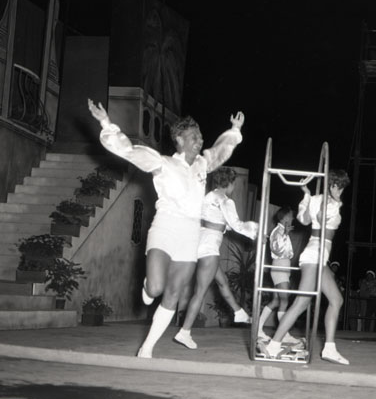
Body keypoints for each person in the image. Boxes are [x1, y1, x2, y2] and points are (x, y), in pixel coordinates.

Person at [88, 99, 244, 358]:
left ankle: (146, 348)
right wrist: (106, 122)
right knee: (156, 289)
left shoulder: (203, 164)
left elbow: (220, 151)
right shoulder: (162, 163)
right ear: (180, 140)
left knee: (173, 293)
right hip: (165, 227)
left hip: (190, 233)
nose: (199, 140)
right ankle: (148, 286)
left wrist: (234, 131)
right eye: (193, 137)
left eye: (200, 136)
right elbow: (128, 150)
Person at [259, 169, 351, 365]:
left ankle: (329, 348)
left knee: (336, 299)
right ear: (333, 185)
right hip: (314, 255)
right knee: (301, 302)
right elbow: (318, 218)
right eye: (339, 187)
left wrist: (307, 195)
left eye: (342, 188)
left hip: (319, 257)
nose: (340, 191)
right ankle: (274, 344)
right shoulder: (328, 203)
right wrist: (332, 201)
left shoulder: (316, 199)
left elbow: (304, 219)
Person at [174, 167, 258, 349]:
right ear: (229, 183)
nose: (234, 187)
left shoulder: (209, 196)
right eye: (234, 183)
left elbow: (212, 220)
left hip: (199, 242)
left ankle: (238, 312)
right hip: (209, 247)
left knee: (222, 281)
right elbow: (237, 225)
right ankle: (184, 332)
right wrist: (257, 231)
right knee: (200, 292)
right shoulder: (225, 201)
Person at [256, 206, 301, 344]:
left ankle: (258, 329)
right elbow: (278, 250)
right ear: (285, 217)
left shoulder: (281, 231)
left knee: (276, 301)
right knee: (284, 300)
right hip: (280, 266)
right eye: (291, 215)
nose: (292, 218)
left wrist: (286, 234)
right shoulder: (277, 231)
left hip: (283, 267)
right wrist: (285, 234)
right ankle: (284, 334)